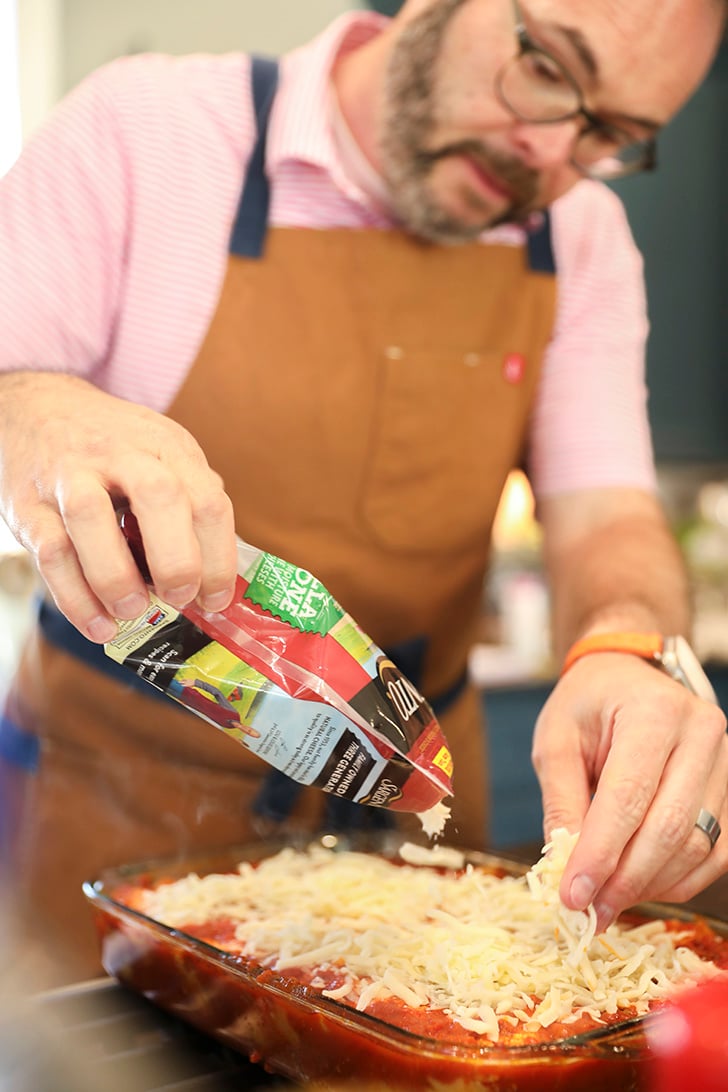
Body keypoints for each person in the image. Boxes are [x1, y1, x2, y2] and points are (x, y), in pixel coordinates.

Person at [0, 0, 726, 985]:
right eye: (546, 67)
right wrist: (36, 409)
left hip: (405, 842)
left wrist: (626, 649)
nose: (549, 151)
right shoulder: (149, 133)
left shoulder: (580, 235)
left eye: (611, 134)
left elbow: (604, 511)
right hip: (106, 816)